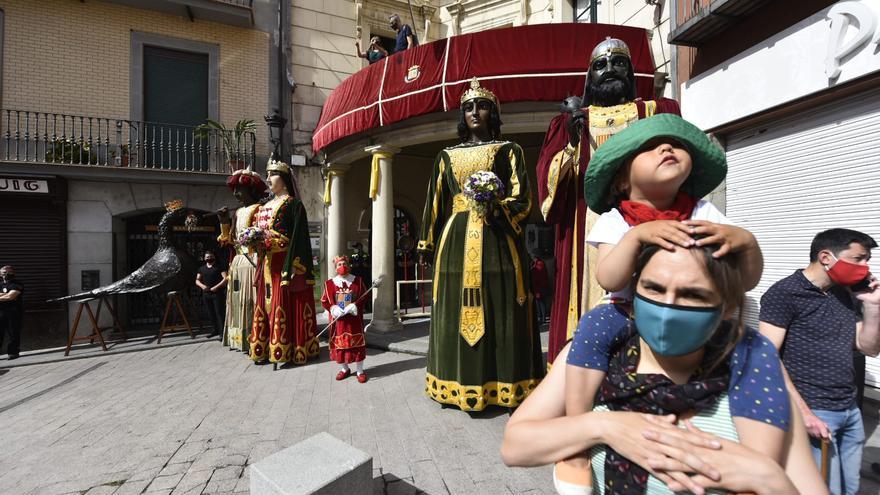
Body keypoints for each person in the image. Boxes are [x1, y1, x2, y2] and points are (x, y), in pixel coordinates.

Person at [501, 241, 827, 495]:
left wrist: (768, 478)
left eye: (691, 294)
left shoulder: (754, 375)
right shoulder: (595, 358)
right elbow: (515, 446)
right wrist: (603, 426)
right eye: (654, 288)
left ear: (725, 307)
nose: (668, 307)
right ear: (633, 293)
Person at [536, 37, 681, 370]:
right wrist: (572, 142)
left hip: (646, 217)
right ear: (590, 76)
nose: (610, 69)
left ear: (630, 72)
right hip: (590, 223)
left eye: (619, 62)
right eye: (601, 65)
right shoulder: (570, 120)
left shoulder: (653, 111)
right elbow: (547, 179)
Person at [417, 78, 544, 411]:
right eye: (469, 107)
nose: (475, 112)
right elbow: (434, 202)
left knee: (500, 305)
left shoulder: (509, 150)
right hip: (455, 241)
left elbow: (523, 199)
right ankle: (455, 382)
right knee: (454, 306)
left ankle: (505, 383)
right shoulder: (445, 156)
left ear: (494, 113)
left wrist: (496, 206)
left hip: (498, 239)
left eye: (483, 106)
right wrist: (426, 243)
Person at [759, 228, 880, 495]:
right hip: (814, 411)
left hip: (849, 408)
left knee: (850, 487)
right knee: (823, 488)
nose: (865, 267)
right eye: (858, 258)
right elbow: (766, 357)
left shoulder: (844, 293)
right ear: (826, 257)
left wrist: (873, 306)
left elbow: (868, 348)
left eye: (867, 260)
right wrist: (804, 414)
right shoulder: (784, 294)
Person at [249, 156, 320, 366]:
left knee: (281, 303)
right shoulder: (264, 206)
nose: (268, 178)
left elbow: (299, 238)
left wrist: (292, 264)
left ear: (284, 179)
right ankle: (264, 348)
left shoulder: (293, 204)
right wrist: (255, 242)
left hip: (284, 264)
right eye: (268, 174)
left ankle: (287, 349)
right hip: (266, 263)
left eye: (273, 174)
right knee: (264, 303)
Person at [218, 166, 267, 351]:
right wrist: (224, 221)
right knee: (238, 301)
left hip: (253, 261)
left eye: (240, 189)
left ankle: (254, 338)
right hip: (238, 262)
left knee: (251, 301)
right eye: (235, 190)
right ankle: (238, 340)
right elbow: (229, 240)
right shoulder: (237, 212)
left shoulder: (260, 210)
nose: (236, 193)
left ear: (251, 190)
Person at [321, 255, 368, 383]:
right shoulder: (329, 284)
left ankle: (360, 371)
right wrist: (333, 308)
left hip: (354, 320)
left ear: (349, 265)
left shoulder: (357, 281)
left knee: (357, 344)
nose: (342, 266)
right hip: (339, 322)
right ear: (336, 268)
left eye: (345, 264)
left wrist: (355, 305)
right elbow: (324, 301)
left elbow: (364, 296)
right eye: (339, 265)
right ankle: (344, 369)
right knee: (340, 346)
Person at [195, 251, 228, 339]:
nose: (209, 258)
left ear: (214, 257)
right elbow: (197, 280)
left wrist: (216, 287)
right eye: (207, 257)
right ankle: (215, 330)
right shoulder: (201, 269)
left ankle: (222, 333)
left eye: (210, 257)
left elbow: (225, 278)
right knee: (210, 313)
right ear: (204, 258)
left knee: (219, 313)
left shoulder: (220, 267)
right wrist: (202, 286)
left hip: (217, 294)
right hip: (206, 294)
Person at [0, 265, 23, 360]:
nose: (7, 274)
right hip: (1, 312)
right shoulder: (0, 284)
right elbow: (8, 296)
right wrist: (6, 295)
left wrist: (6, 295)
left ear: (13, 273)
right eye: (4, 273)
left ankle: (13, 352)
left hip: (13, 312)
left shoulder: (17, 284)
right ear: (0, 274)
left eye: (9, 272)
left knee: (13, 333)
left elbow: (10, 297)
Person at [531, 257, 549, 324]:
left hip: (539, 287)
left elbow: (538, 275)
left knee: (541, 303)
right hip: (539, 287)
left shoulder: (539, 264)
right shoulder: (539, 263)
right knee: (539, 303)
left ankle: (542, 318)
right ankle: (541, 318)